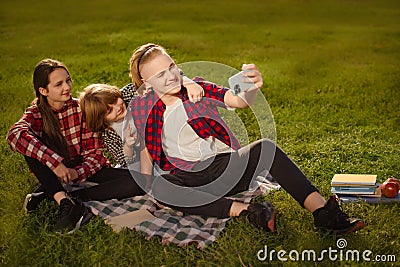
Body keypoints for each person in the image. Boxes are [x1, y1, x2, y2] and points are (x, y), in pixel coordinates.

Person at [126, 43, 366, 235]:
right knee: (160, 187)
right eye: (160, 74)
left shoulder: (197, 89)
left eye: (172, 67)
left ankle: (323, 214)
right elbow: (147, 145)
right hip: (189, 177)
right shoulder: (141, 106)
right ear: (146, 83)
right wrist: (146, 181)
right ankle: (247, 211)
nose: (170, 76)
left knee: (266, 148)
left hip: (225, 168)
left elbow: (235, 99)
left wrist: (249, 87)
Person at [6, 59, 146, 233]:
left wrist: (76, 173)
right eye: (59, 84)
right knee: (29, 146)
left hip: (83, 167)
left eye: (68, 80)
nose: (67, 87)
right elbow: (14, 135)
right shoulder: (36, 114)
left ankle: (69, 197)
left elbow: (95, 155)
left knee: (136, 182)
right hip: (54, 171)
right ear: (43, 90)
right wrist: (55, 163)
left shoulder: (81, 110)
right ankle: (64, 203)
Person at [78, 75, 204, 172]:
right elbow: (123, 160)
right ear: (101, 120)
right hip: (142, 158)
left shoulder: (128, 94)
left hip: (162, 142)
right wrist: (128, 145)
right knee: (136, 172)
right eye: (109, 110)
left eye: (114, 100)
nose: (117, 107)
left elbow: (150, 84)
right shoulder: (108, 134)